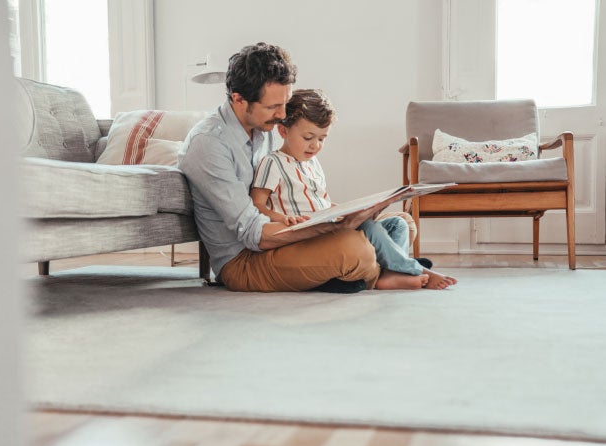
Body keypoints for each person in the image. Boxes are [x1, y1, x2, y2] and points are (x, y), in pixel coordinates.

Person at [179, 42, 449, 293]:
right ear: (238, 100)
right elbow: (253, 235)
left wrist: (347, 215)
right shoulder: (208, 145)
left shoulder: (267, 128)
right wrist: (330, 227)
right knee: (357, 250)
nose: (283, 115)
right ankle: (377, 272)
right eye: (273, 106)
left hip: (285, 241)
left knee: (402, 223)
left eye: (285, 103)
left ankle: (375, 270)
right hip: (245, 259)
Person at [250, 89, 456, 290]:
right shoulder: (273, 162)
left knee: (398, 224)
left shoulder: (313, 164)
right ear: (283, 131)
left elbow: (321, 203)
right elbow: (257, 204)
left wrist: (356, 210)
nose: (315, 146)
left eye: (322, 139)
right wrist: (280, 218)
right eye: (308, 137)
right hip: (311, 237)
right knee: (371, 230)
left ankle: (390, 273)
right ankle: (414, 269)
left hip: (330, 225)